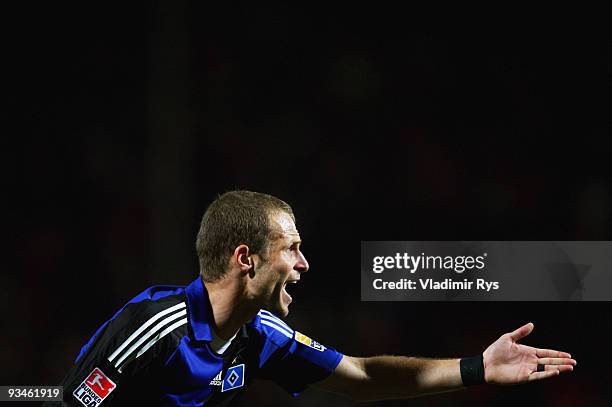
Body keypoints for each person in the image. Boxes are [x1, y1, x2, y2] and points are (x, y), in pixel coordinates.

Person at [46, 190, 576, 406]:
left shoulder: (260, 336)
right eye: (292, 248)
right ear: (245, 258)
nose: (304, 264)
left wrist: (477, 367)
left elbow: (361, 375)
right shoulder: (155, 328)